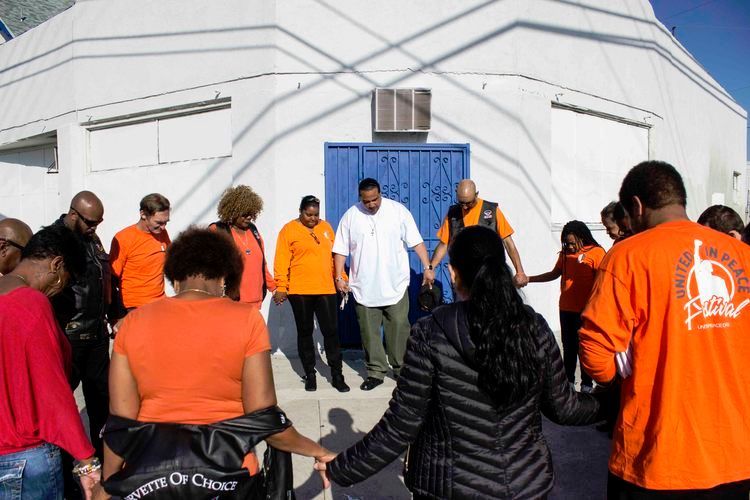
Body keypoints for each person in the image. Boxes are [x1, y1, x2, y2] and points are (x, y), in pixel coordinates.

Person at [315, 226, 602, 498]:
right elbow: (565, 408)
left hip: (449, 487)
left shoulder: (430, 333)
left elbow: (402, 423)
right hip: (525, 484)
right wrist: (615, 398)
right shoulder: (535, 328)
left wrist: (342, 467)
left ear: (453, 273)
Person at [100, 227, 332, 498]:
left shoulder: (133, 323)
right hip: (229, 475)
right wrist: (318, 451)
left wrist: (107, 484)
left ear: (175, 278)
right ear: (224, 277)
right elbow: (264, 417)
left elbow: (121, 421)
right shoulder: (247, 319)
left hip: (150, 476)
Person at [579, 161, 750, 497]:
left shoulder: (627, 257)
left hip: (655, 460)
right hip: (734, 455)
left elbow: (595, 355)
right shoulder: (743, 256)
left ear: (637, 206)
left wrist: (616, 375)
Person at [0, 225, 101, 499]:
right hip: (24, 461)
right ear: (56, 265)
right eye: (65, 281)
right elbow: (51, 392)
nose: (59, 290)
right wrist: (86, 460)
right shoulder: (32, 304)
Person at [333, 178, 434, 391]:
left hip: (395, 284)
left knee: (399, 328)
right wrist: (339, 277)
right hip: (364, 286)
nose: (372, 204)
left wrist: (427, 266)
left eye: (375, 199)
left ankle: (401, 370)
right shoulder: (351, 216)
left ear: (380, 194)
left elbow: (416, 241)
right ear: (360, 198)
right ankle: (375, 372)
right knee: (369, 333)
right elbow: (340, 249)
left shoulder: (398, 211)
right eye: (367, 201)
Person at [273, 195, 349, 392]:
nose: (313, 219)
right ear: (300, 212)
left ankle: (337, 375)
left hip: (326, 289)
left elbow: (335, 256)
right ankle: (310, 374)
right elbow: (281, 259)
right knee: (305, 332)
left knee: (331, 332)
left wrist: (341, 278)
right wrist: (281, 286)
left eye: (316, 215)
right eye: (308, 214)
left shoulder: (326, 228)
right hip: (300, 291)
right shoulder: (289, 230)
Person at [528, 221, 605, 392]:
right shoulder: (564, 255)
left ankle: (586, 384)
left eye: (572, 243)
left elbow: (603, 282)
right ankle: (568, 382)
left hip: (586, 311)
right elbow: (554, 274)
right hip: (566, 309)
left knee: (584, 348)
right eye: (566, 243)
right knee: (568, 347)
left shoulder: (597, 253)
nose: (569, 247)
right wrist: (530, 279)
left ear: (582, 237)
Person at [428, 179, 528, 287]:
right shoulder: (453, 214)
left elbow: (508, 243)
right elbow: (443, 244)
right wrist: (430, 268)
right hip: (464, 279)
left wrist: (520, 271)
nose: (465, 207)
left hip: (490, 276)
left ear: (476, 195)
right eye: (461, 203)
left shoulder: (492, 211)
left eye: (468, 203)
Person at [210, 185, 275, 308]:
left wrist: (273, 287)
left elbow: (262, 264)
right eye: (245, 214)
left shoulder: (253, 231)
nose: (249, 217)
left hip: (255, 300)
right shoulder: (218, 230)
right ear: (232, 211)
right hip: (231, 301)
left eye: (251, 213)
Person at [109, 193, 171, 312]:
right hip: (134, 307)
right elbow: (112, 278)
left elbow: (171, 261)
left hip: (160, 304)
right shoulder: (123, 238)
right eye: (159, 222)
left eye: (166, 222)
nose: (163, 227)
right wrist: (116, 312)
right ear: (143, 214)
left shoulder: (162, 233)